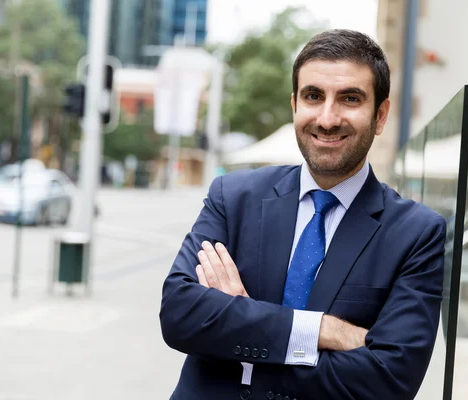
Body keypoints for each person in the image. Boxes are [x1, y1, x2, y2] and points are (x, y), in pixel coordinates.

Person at [160, 29, 446, 400]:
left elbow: (390, 380)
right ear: (295, 105)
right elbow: (180, 315)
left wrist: (243, 334)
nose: (327, 119)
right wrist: (322, 330)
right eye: (314, 96)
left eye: (350, 98)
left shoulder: (416, 234)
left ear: (380, 115)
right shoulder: (233, 198)